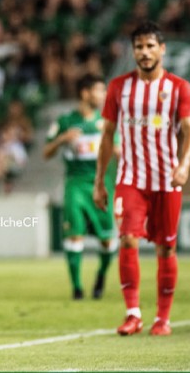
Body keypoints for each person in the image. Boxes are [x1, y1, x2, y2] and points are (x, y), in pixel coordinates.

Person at [94, 21, 190, 337]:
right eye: (139, 47)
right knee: (127, 239)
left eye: (150, 46)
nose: (144, 52)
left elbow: (189, 131)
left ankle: (162, 319)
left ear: (162, 49)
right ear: (133, 51)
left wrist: (184, 165)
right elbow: (107, 135)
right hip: (130, 178)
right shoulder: (119, 86)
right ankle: (133, 314)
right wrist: (99, 181)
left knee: (165, 249)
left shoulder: (178, 87)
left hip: (166, 179)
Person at [44, 74, 117, 300]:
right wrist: (61, 139)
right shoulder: (64, 121)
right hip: (75, 184)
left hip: (101, 184)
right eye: (100, 90)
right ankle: (77, 287)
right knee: (74, 236)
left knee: (107, 240)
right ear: (85, 93)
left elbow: (118, 151)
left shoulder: (106, 121)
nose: (104, 95)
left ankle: (102, 275)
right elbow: (46, 153)